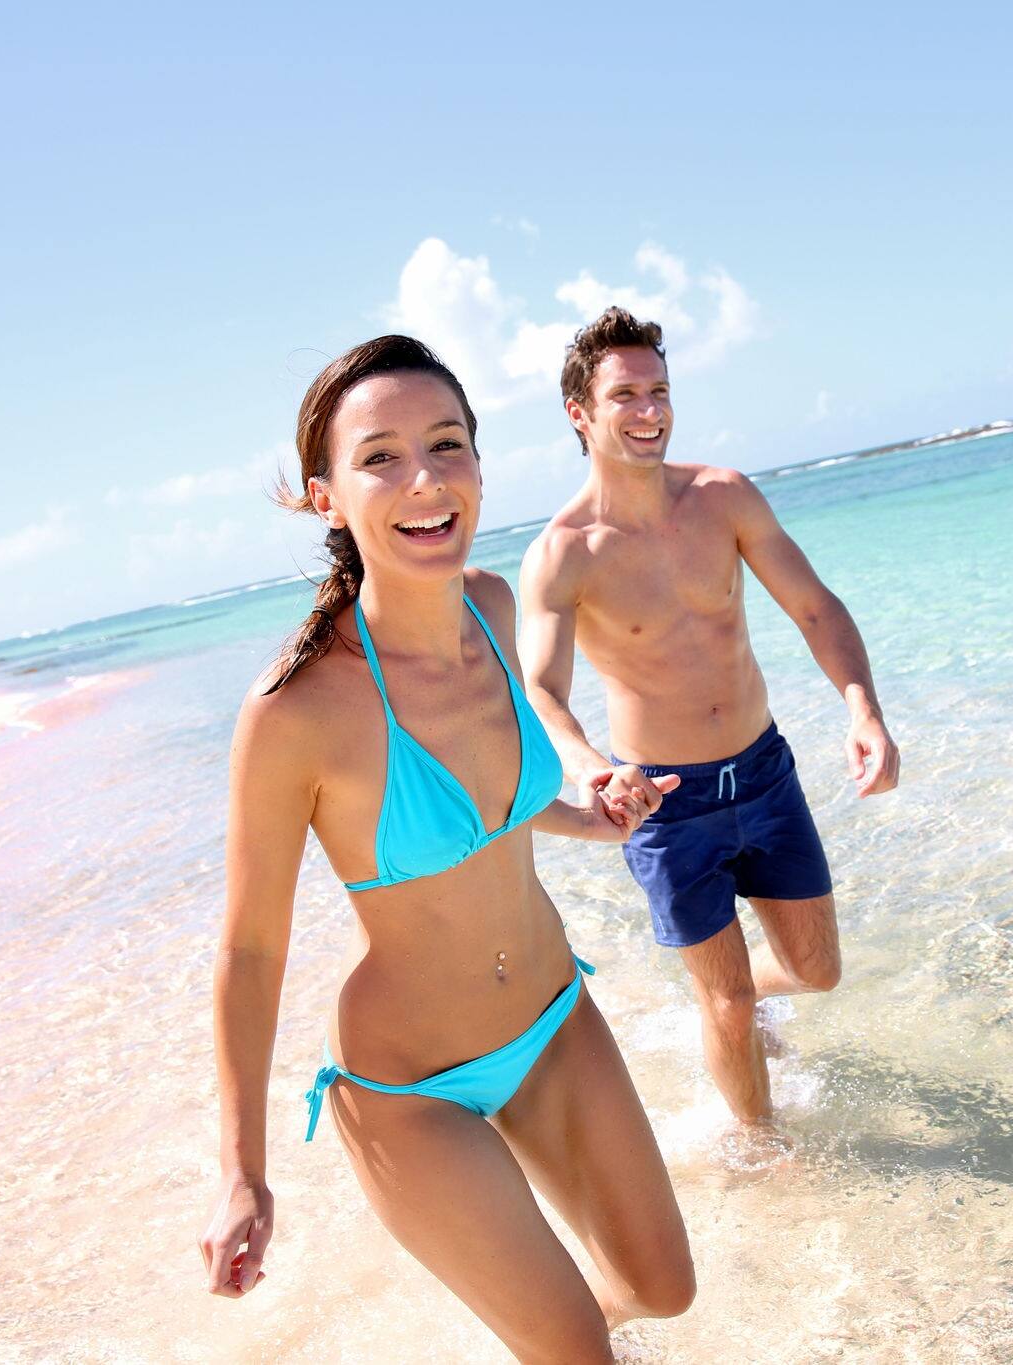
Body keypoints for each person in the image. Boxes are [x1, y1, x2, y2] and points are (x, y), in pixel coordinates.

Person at [197, 336, 694, 1362]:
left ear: (477, 461)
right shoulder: (293, 712)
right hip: (411, 1092)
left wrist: (588, 815)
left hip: (554, 1020)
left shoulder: (493, 606)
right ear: (328, 498)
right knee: (579, 1353)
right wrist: (242, 1169)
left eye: (446, 444)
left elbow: (486, 811)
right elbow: (249, 947)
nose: (423, 479)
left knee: (662, 1290)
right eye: (379, 457)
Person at [519, 307, 900, 1134]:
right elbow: (541, 691)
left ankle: (737, 1005)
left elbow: (814, 606)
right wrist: (593, 771)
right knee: (725, 1001)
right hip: (665, 802)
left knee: (817, 970)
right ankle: (765, 1150)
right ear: (579, 413)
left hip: (764, 773)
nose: (650, 410)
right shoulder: (564, 552)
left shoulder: (723, 497)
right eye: (625, 395)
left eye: (659, 390)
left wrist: (862, 707)